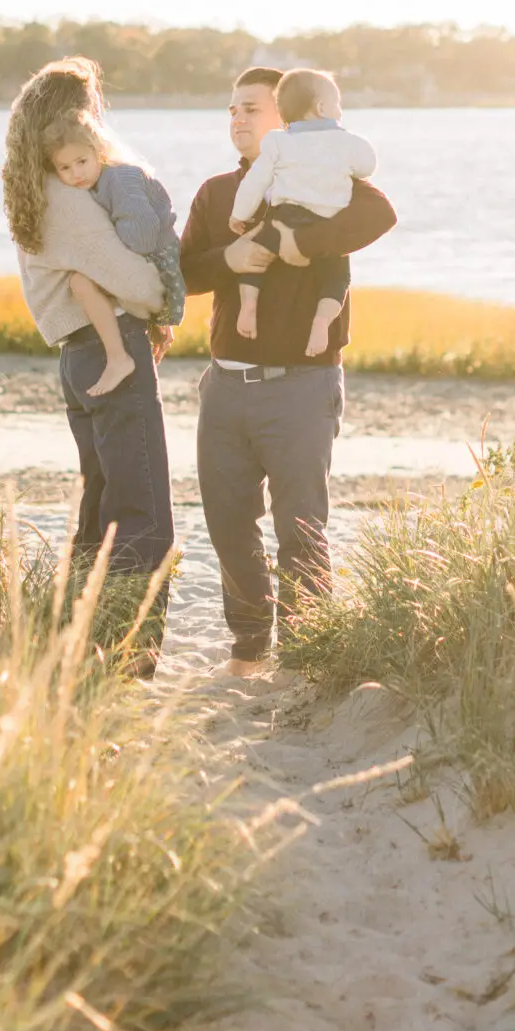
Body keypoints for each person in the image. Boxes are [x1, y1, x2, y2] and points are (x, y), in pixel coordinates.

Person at [180, 66, 397, 675]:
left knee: (301, 528)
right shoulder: (218, 193)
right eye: (231, 110)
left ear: (286, 118)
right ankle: (249, 645)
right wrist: (230, 257)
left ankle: (306, 656)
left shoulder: (335, 179)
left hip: (303, 385)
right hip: (225, 384)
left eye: (251, 108)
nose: (237, 119)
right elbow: (185, 274)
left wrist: (304, 243)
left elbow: (380, 216)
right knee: (227, 522)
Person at [3, 58, 175, 663]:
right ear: (73, 117)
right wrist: (162, 295)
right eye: (91, 107)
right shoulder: (68, 201)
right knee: (143, 515)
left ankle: (80, 648)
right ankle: (128, 659)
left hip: (79, 359)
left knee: (102, 513)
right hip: (112, 350)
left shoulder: (34, 189)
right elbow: (139, 283)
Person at [229, 67, 378, 356]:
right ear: (322, 107)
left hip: (283, 217)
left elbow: (254, 182)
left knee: (253, 261)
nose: (340, 112)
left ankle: (248, 306)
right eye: (338, 105)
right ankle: (321, 322)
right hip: (325, 220)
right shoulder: (345, 142)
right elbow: (367, 165)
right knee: (336, 279)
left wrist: (239, 215)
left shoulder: (277, 142)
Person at [43, 105, 185, 397]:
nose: (76, 173)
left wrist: (108, 253)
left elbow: (142, 234)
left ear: (99, 151)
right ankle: (119, 354)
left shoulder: (121, 178)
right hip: (148, 262)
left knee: (81, 282)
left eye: (81, 161)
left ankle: (119, 358)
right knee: (79, 282)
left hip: (159, 262)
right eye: (65, 168)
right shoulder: (96, 184)